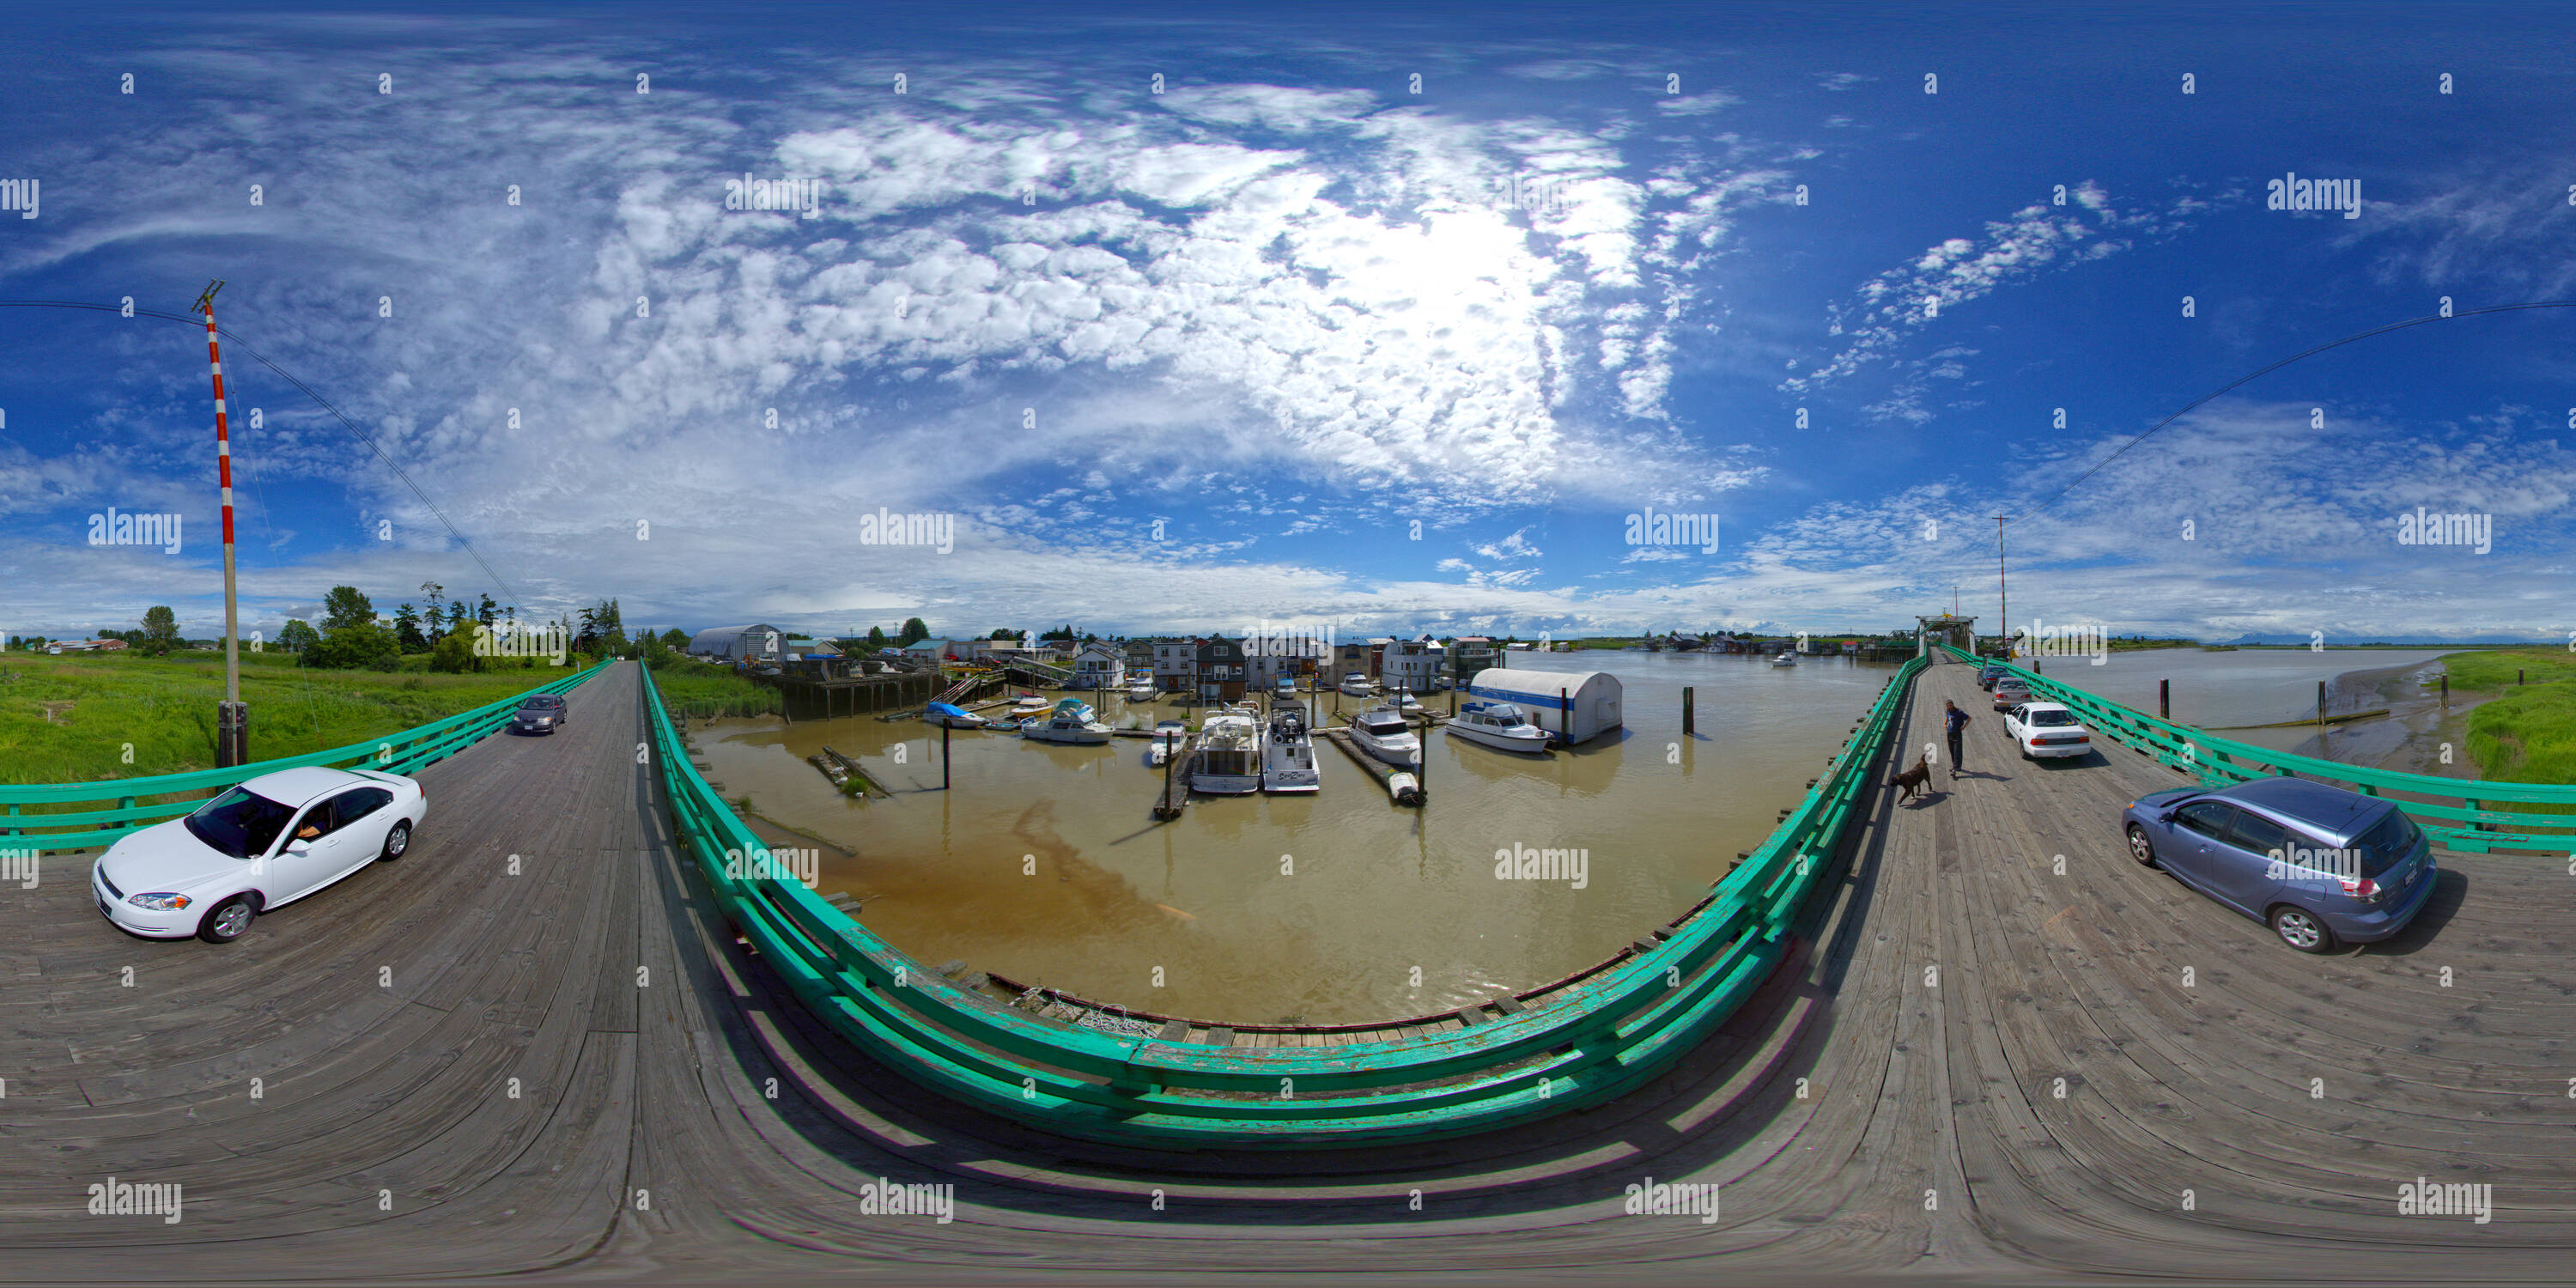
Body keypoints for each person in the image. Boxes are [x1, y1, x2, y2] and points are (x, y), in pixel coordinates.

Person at [1943, 699, 1971, 780]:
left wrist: (1963, 727)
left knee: (1957, 751)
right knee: (1952, 751)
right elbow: (1948, 718)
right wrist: (1945, 724)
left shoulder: (1959, 712)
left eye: (1950, 705)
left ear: (1953, 705)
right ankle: (1955, 766)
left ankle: (1955, 769)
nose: (1949, 707)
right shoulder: (1948, 711)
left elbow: (1969, 718)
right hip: (1950, 733)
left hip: (1957, 734)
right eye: (1948, 706)